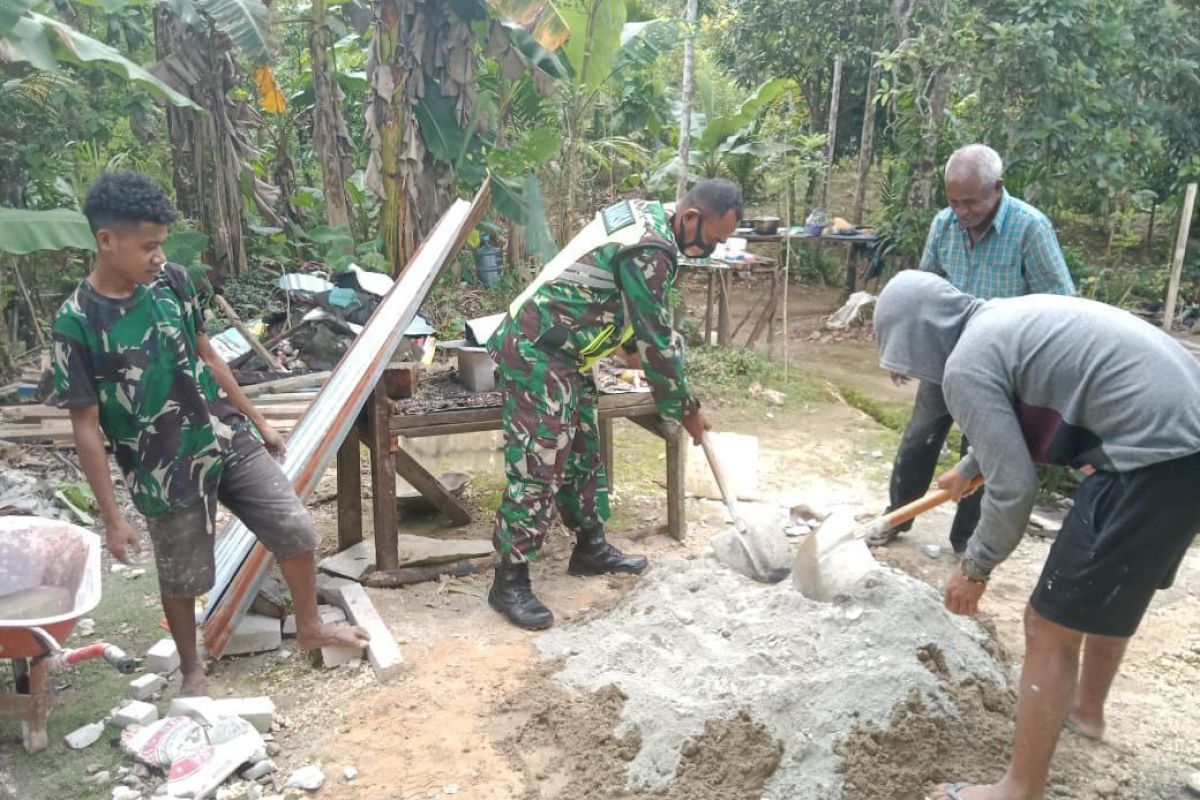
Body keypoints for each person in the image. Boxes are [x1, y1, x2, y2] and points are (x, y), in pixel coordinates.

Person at [873, 270, 1200, 800]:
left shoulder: (964, 365)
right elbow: (1024, 406)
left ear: (914, 335)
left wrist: (976, 566)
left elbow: (1016, 488)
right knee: (1111, 585)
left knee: (1047, 625)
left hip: (1148, 457)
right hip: (1185, 449)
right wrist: (972, 463)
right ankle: (1085, 712)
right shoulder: (999, 320)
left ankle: (1019, 789)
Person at [52, 171, 368, 695]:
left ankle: (310, 628)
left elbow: (209, 355)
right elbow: (85, 427)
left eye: (161, 245)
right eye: (148, 246)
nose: (158, 256)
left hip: (224, 437)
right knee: (182, 577)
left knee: (294, 527)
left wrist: (259, 419)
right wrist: (111, 518)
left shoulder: (173, 281)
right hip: (161, 468)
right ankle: (192, 667)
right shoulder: (77, 323)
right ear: (107, 241)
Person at [485, 179, 742, 630]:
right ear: (691, 219)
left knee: (584, 450)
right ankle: (509, 581)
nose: (712, 250)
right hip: (536, 348)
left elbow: (621, 309)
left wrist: (649, 362)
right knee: (539, 460)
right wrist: (687, 408)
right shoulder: (650, 249)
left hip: (568, 351)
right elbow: (655, 338)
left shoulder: (648, 215)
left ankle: (589, 547)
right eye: (714, 240)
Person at [874, 144, 1076, 553]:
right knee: (919, 438)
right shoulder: (944, 224)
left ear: (997, 188)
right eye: (953, 201)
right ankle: (897, 515)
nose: (961, 211)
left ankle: (966, 540)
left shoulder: (1029, 227)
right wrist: (905, 349)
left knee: (983, 449)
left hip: (1003, 365)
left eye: (971, 201)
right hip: (948, 353)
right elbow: (924, 287)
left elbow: (1060, 302)